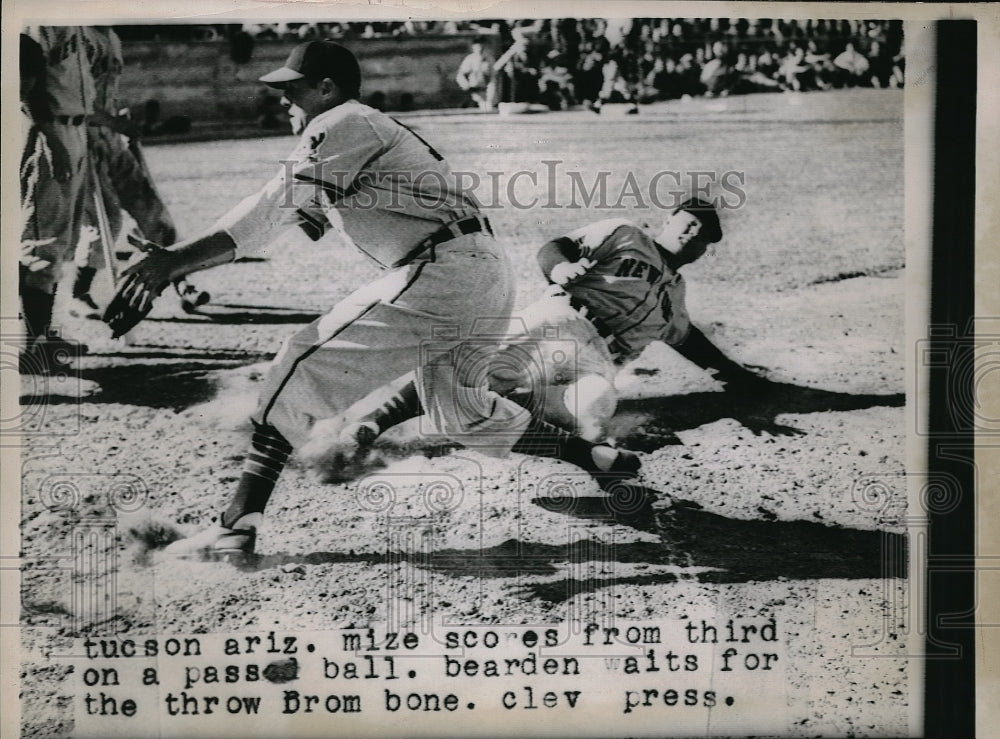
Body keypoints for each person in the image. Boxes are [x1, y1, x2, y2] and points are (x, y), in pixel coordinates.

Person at [102, 40, 641, 560]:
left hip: (443, 268)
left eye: (293, 89)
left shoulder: (341, 122)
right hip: (478, 269)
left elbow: (266, 212)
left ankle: (235, 526)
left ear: (328, 87)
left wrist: (169, 263)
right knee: (462, 412)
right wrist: (184, 258)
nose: (283, 100)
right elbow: (290, 215)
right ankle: (592, 455)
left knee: (301, 361)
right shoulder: (358, 128)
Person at [328, 198, 774, 458]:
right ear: (669, 221)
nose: (690, 234)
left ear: (704, 250)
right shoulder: (625, 234)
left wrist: (739, 380)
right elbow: (556, 246)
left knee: (594, 411)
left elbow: (692, 342)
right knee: (472, 367)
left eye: (700, 235)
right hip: (561, 318)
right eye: (687, 223)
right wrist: (559, 268)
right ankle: (374, 422)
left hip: (599, 359)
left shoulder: (675, 296)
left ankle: (545, 436)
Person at [70, 26, 208, 321]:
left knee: (155, 215)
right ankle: (78, 294)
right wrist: (114, 123)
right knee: (105, 220)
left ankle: (180, 284)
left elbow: (104, 92)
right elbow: (69, 103)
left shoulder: (111, 37)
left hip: (110, 138)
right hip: (79, 142)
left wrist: (117, 120)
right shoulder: (76, 35)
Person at [20, 26, 95, 372]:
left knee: (63, 243)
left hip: (76, 130)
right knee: (43, 245)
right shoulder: (39, 20)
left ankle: (41, 338)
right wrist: (51, 141)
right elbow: (27, 84)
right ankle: (30, 346)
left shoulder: (76, 23)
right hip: (50, 131)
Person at [455, 36, 493, 110]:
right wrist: (466, 85)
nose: (480, 49)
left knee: (488, 109)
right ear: (473, 48)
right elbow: (460, 75)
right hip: (473, 92)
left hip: (486, 92)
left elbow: (493, 76)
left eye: (481, 47)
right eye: (477, 47)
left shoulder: (489, 59)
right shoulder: (470, 59)